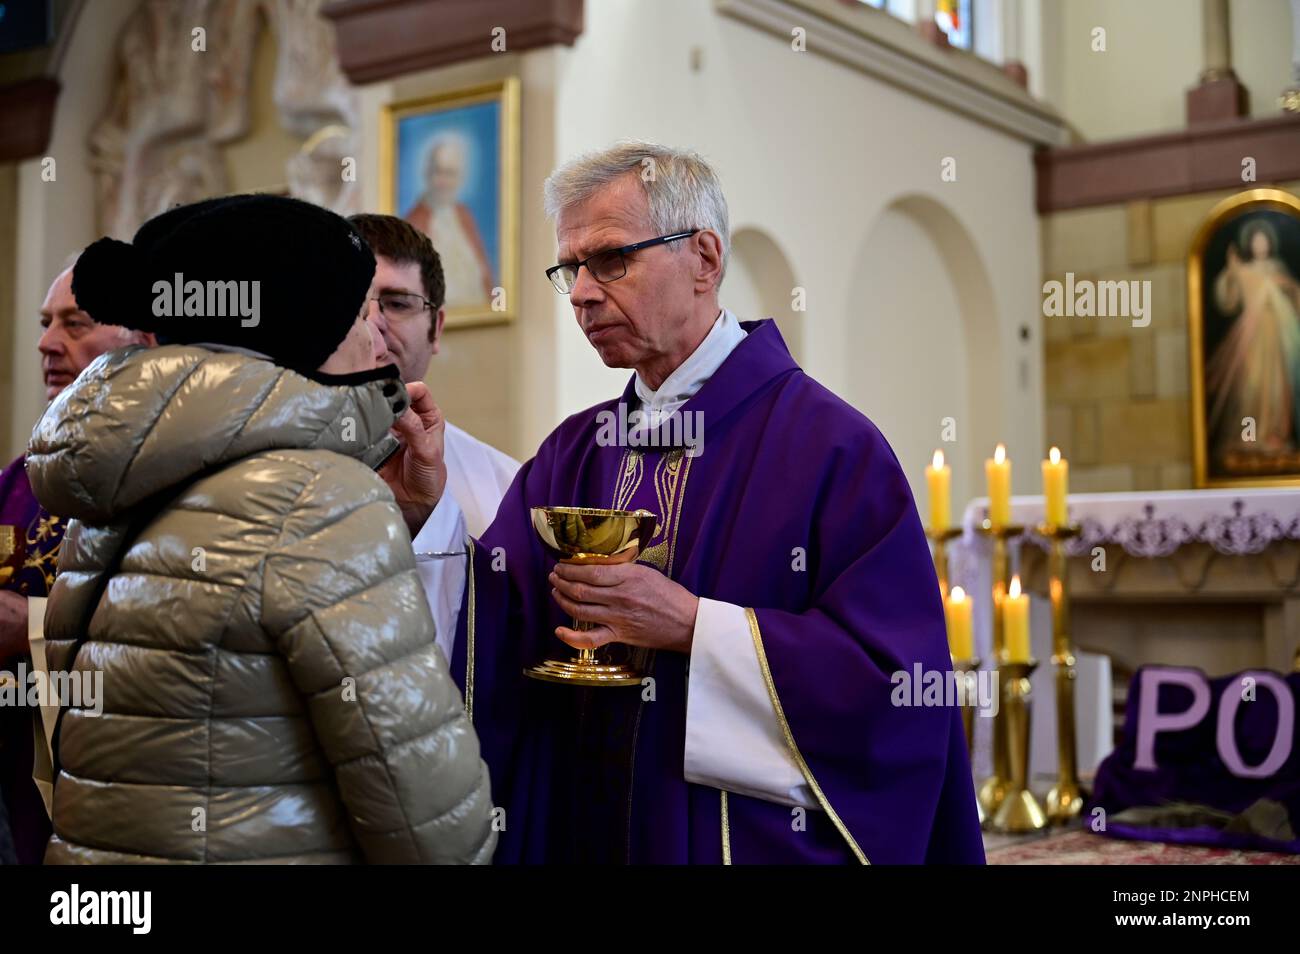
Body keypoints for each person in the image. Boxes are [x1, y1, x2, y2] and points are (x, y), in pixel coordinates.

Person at [435, 141, 985, 864]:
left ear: (704, 258)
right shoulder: (574, 452)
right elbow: (497, 625)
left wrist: (696, 627)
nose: (581, 293)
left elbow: (897, 687)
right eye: (570, 268)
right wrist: (426, 510)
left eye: (610, 260)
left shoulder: (831, 449)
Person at [26, 194, 495, 864]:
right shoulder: (319, 499)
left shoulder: (118, 480)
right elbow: (430, 822)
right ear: (312, 326)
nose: (377, 335)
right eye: (364, 309)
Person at [0, 264, 155, 865]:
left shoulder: (165, 479)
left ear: (144, 343)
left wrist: (32, 629)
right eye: (45, 324)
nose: (45, 342)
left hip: (122, 792)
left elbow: (169, 642)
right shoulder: (17, 480)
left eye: (75, 323)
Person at [348, 213, 519, 659]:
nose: (374, 324)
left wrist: (426, 519)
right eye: (352, 302)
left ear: (437, 327)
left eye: (398, 303)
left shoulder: (504, 485)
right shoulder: (266, 465)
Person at [402, 135, 495, 307]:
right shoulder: (413, 224)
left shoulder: (464, 216)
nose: (443, 182)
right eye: (439, 172)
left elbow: (485, 277)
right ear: (428, 174)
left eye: (450, 173)